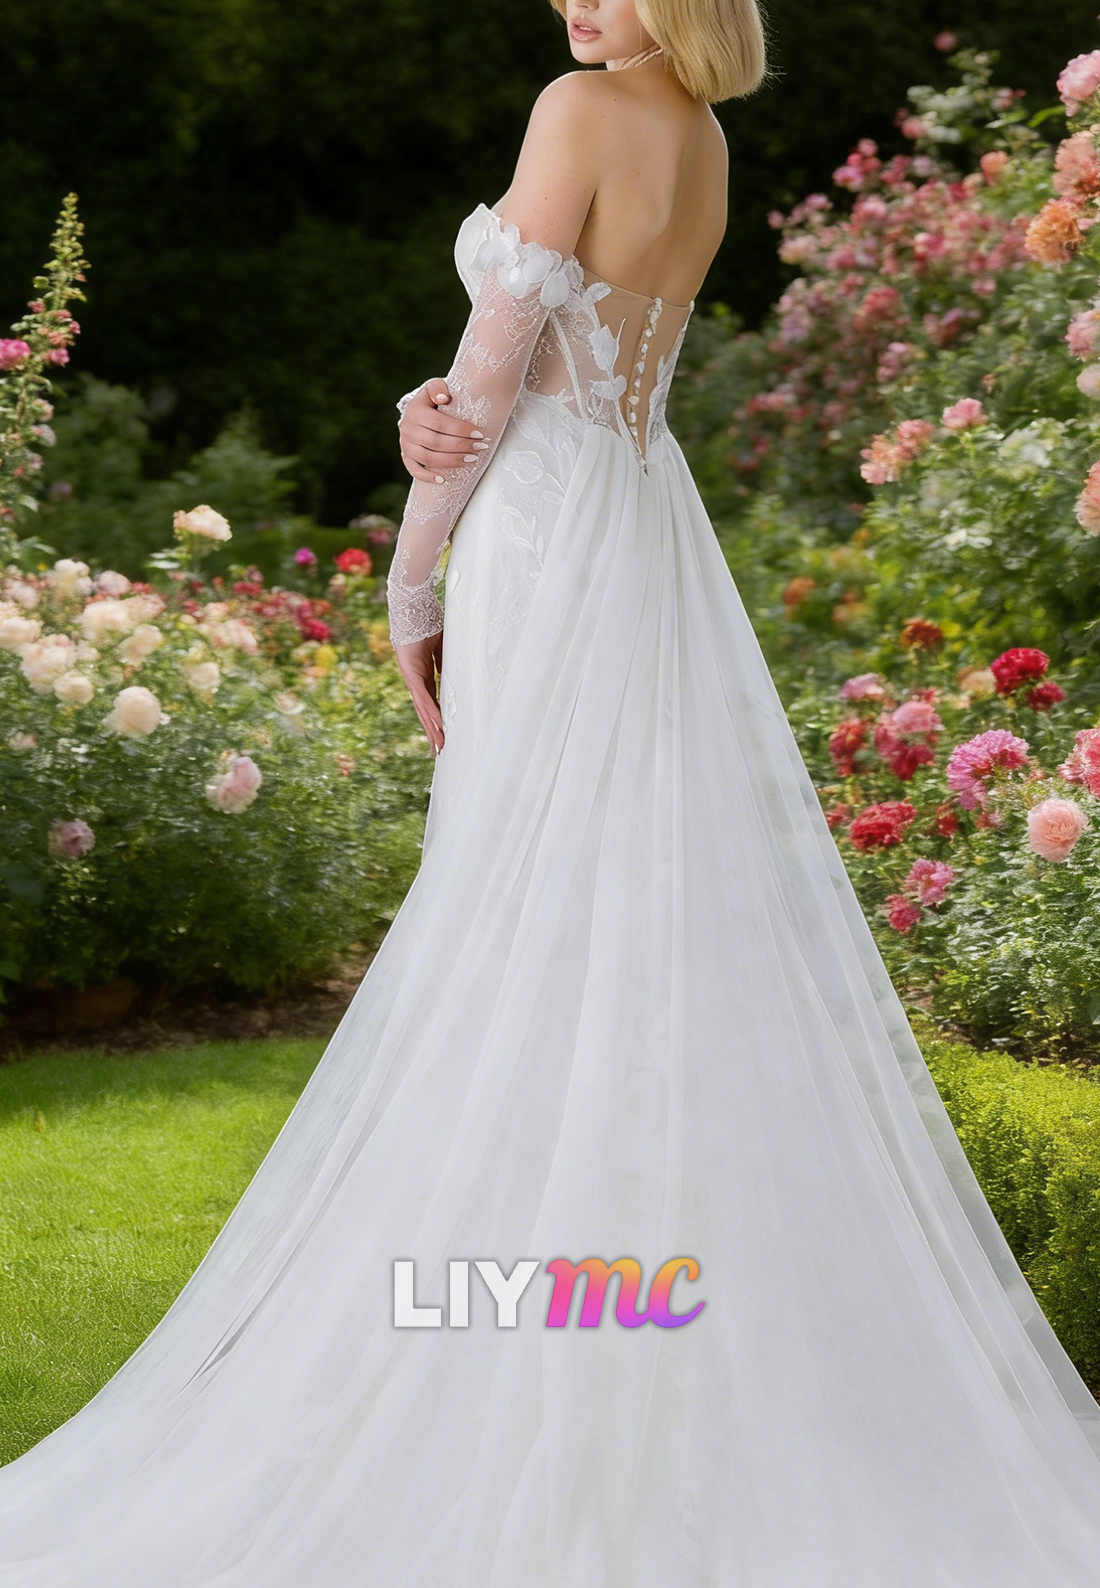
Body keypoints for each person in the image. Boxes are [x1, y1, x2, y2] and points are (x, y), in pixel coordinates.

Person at [1, 2, 1100, 1584]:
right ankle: (645, 1311)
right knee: (631, 905)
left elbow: (487, 386)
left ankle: (518, 1322)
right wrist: (446, 417)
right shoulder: (703, 140)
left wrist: (408, 582)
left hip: (543, 530)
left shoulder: (578, 112)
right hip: (642, 524)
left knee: (523, 903)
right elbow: (579, 375)